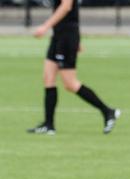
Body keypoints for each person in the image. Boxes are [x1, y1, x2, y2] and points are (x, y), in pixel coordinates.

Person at [27, 0, 120, 135]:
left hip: (66, 37)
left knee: (70, 83)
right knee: (48, 77)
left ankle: (108, 111)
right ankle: (49, 125)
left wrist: (45, 26)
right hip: (59, 35)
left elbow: (66, 6)